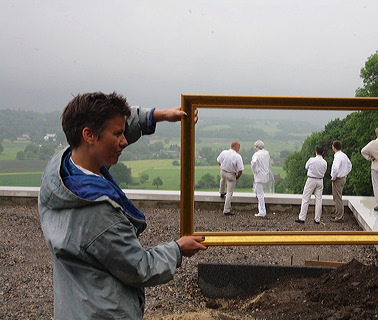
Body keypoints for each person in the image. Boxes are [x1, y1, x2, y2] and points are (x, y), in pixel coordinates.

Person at [38, 92, 207, 319]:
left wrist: (158, 116)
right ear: (88, 135)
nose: (124, 141)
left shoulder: (60, 172)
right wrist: (177, 249)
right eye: (118, 134)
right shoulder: (99, 215)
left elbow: (110, 127)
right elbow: (139, 268)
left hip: (75, 304)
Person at [295, 146, 327, 224]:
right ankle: (317, 219)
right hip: (320, 180)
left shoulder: (311, 160)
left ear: (316, 151)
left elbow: (306, 167)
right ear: (322, 152)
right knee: (319, 200)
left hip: (311, 179)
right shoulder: (324, 162)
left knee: (306, 198)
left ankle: (302, 218)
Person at [217, 141, 244, 215]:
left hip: (223, 171)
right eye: (239, 147)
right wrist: (237, 176)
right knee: (229, 193)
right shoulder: (237, 156)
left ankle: (221, 192)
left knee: (222, 180)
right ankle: (226, 210)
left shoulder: (224, 152)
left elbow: (218, 161)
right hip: (231, 174)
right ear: (236, 147)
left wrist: (222, 167)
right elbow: (240, 169)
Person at [330, 140, 352, 222]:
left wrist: (334, 177)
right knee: (338, 196)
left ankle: (339, 216)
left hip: (338, 179)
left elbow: (336, 168)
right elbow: (350, 165)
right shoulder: (344, 155)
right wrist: (345, 173)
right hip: (343, 178)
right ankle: (338, 214)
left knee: (337, 198)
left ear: (334, 147)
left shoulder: (337, 157)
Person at [251, 140, 274, 217]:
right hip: (265, 175)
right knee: (259, 191)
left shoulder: (256, 155)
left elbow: (253, 163)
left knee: (260, 194)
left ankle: (262, 211)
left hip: (258, 175)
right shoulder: (266, 153)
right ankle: (262, 210)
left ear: (257, 147)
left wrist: (254, 170)